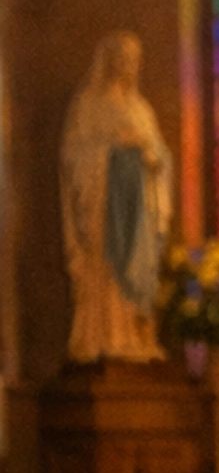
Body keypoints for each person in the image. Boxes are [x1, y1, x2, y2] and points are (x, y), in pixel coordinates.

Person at [59, 31, 174, 363]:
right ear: (108, 61)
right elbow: (71, 156)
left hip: (139, 212)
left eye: (134, 60)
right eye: (122, 59)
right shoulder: (88, 105)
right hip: (104, 210)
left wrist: (151, 157)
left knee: (139, 276)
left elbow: (161, 157)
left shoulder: (141, 108)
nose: (128, 66)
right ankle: (105, 336)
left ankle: (136, 338)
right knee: (107, 274)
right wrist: (112, 150)